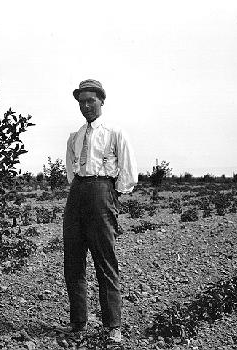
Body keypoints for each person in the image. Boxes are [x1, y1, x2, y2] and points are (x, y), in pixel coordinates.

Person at [62, 79, 137, 348]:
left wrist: (110, 196)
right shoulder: (74, 136)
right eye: (82, 101)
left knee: (105, 261)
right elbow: (71, 169)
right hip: (78, 193)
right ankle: (78, 322)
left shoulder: (115, 133)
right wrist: (81, 188)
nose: (86, 105)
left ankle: (112, 326)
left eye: (91, 100)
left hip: (102, 192)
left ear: (102, 101)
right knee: (72, 260)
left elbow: (128, 173)